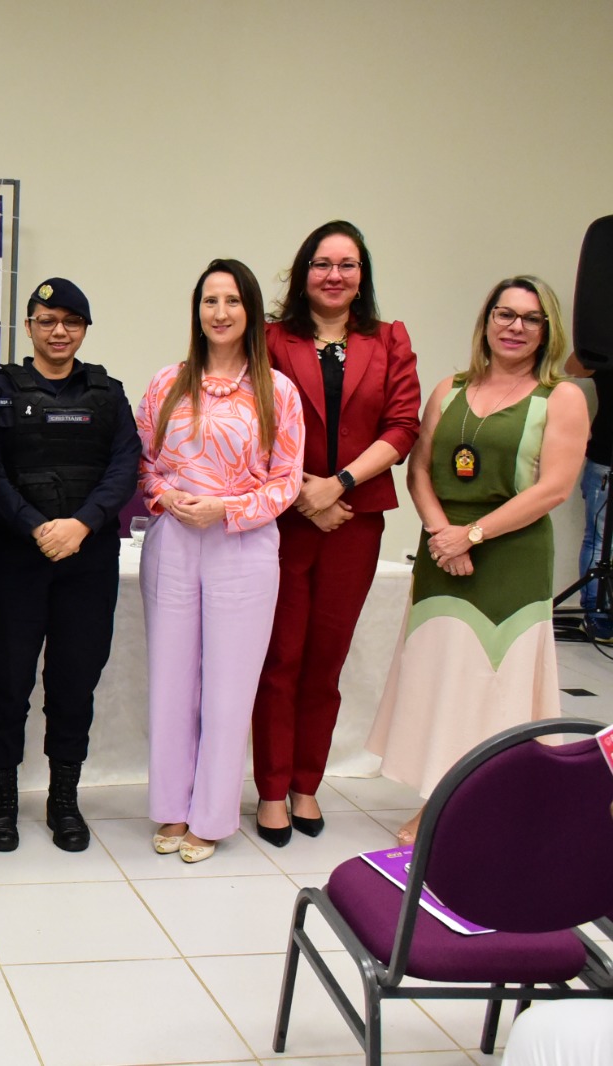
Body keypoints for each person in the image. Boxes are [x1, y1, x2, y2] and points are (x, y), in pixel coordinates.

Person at [368, 276, 587, 844]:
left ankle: (486, 805)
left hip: (510, 558)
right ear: (486, 320)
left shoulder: (560, 397)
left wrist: (475, 535)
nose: (515, 327)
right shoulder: (449, 389)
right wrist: (444, 534)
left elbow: (555, 488)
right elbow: (418, 469)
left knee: (495, 686)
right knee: (441, 679)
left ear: (548, 331)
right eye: (505, 314)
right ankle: (438, 799)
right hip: (442, 553)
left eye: (530, 319)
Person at [250, 222, 422, 847]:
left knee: (325, 662)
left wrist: (339, 484)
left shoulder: (388, 340)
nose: (334, 275)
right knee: (280, 659)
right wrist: (303, 493)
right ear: (303, 273)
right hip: (284, 519)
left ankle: (305, 786)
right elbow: (253, 422)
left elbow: (403, 425)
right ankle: (270, 790)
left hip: (355, 521)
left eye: (347, 265)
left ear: (362, 276)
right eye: (322, 263)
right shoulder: (270, 339)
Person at [136, 258, 304, 863]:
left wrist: (226, 510)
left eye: (232, 301)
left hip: (243, 545)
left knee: (229, 688)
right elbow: (145, 466)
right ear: (197, 311)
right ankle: (173, 810)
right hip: (175, 541)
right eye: (210, 301)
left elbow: (287, 483)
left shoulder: (277, 392)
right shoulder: (167, 383)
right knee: (173, 680)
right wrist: (167, 496)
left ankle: (211, 817)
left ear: (251, 312)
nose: (221, 312)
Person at [0, 278, 140, 853]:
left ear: (85, 330)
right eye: (47, 320)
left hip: (86, 561)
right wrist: (34, 525)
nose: (59, 331)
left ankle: (63, 799)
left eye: (71, 321)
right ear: (29, 327)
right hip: (13, 561)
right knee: (7, 686)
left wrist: (81, 524)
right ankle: (1, 803)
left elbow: (125, 468)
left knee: (74, 686)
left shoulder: (108, 394)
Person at [564, 354, 612, 642]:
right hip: (605, 459)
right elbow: (572, 368)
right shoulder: (605, 343)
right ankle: (598, 615)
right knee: (599, 538)